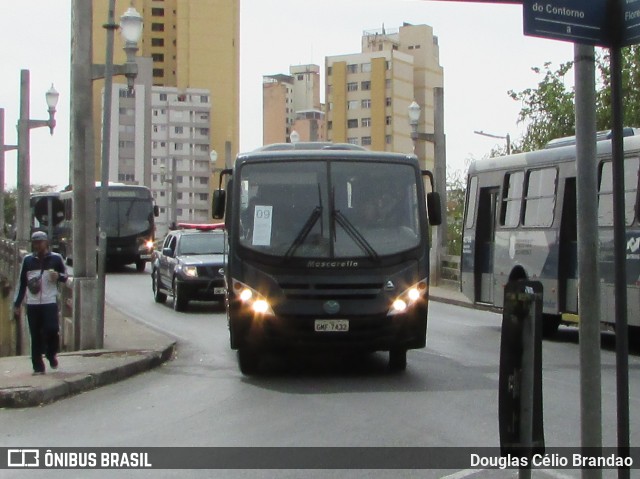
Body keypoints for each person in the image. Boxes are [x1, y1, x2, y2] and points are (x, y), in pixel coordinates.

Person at [13, 231, 68, 375]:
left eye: (40, 242)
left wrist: (58, 276)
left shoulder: (56, 258)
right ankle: (37, 366)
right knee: (35, 334)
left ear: (46, 243)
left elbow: (66, 276)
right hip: (32, 303)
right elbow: (22, 283)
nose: (37, 245)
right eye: (35, 243)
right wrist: (17, 303)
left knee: (52, 329)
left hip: (49, 301)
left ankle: (51, 354)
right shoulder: (28, 260)